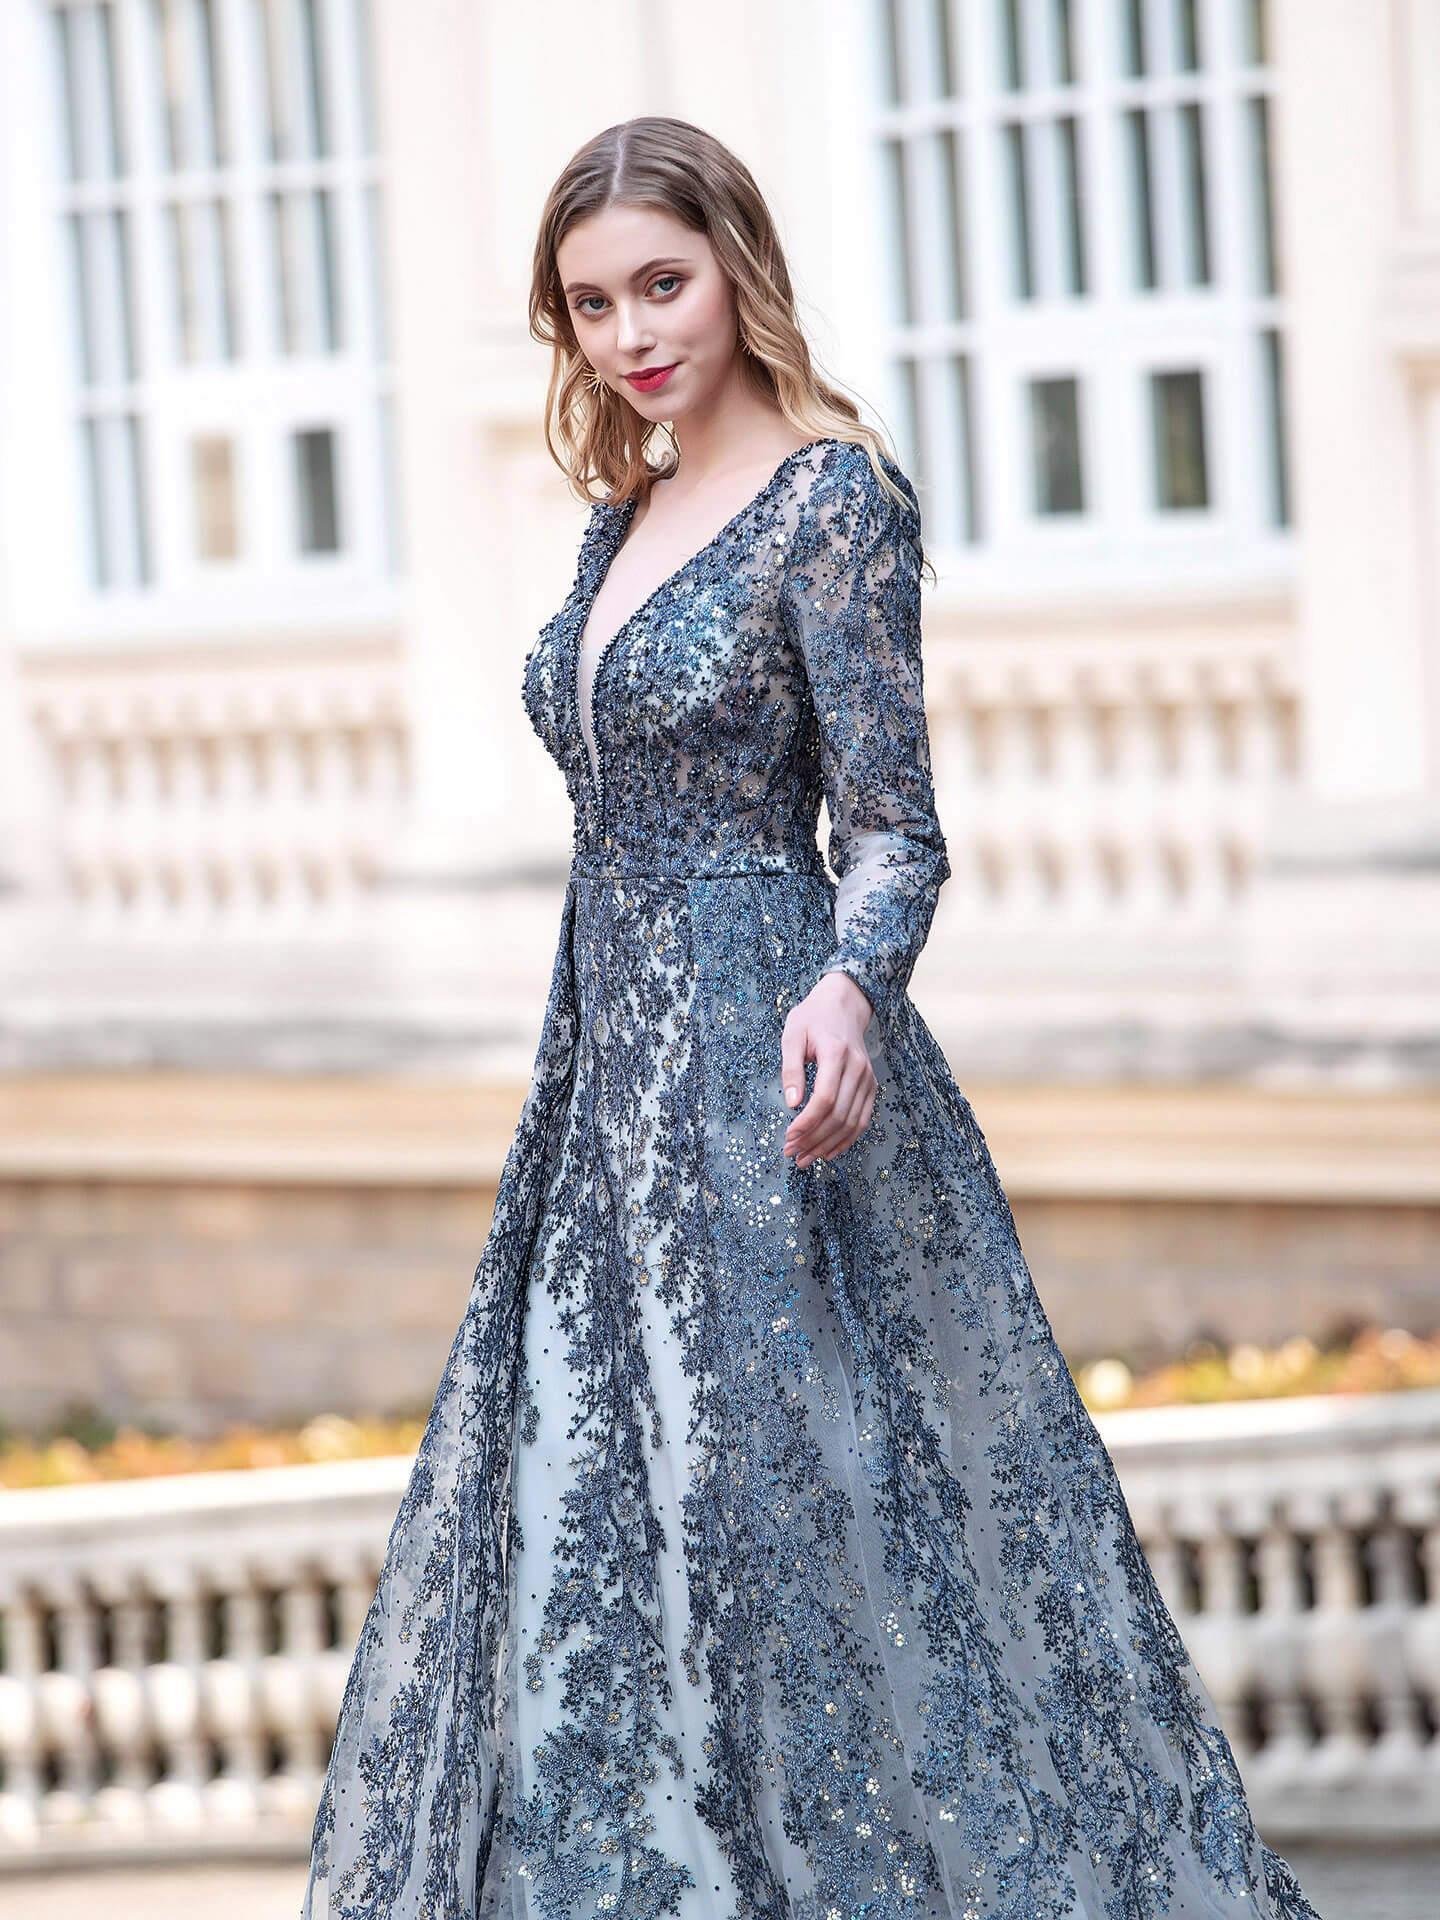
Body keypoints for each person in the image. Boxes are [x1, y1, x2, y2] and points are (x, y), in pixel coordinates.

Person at [301, 117, 1322, 1920]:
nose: (631, 333)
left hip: (773, 1070)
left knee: (809, 1520)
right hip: (604, 1087)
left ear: (738, 265)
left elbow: (898, 827)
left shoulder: (832, 501)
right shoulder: (623, 513)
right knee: (588, 1518)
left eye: (662, 285)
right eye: (592, 304)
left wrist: (853, 983)